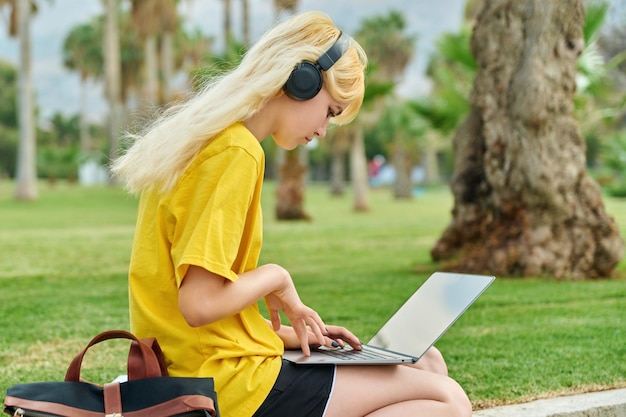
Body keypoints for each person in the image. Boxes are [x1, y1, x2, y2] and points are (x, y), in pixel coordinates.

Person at [111, 10, 472, 417]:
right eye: (331, 111)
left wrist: (287, 335)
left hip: (210, 368)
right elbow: (198, 303)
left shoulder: (206, 141)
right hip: (227, 387)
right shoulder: (235, 152)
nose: (322, 131)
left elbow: (192, 318)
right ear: (301, 80)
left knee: (428, 362)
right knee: (447, 400)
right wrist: (275, 276)